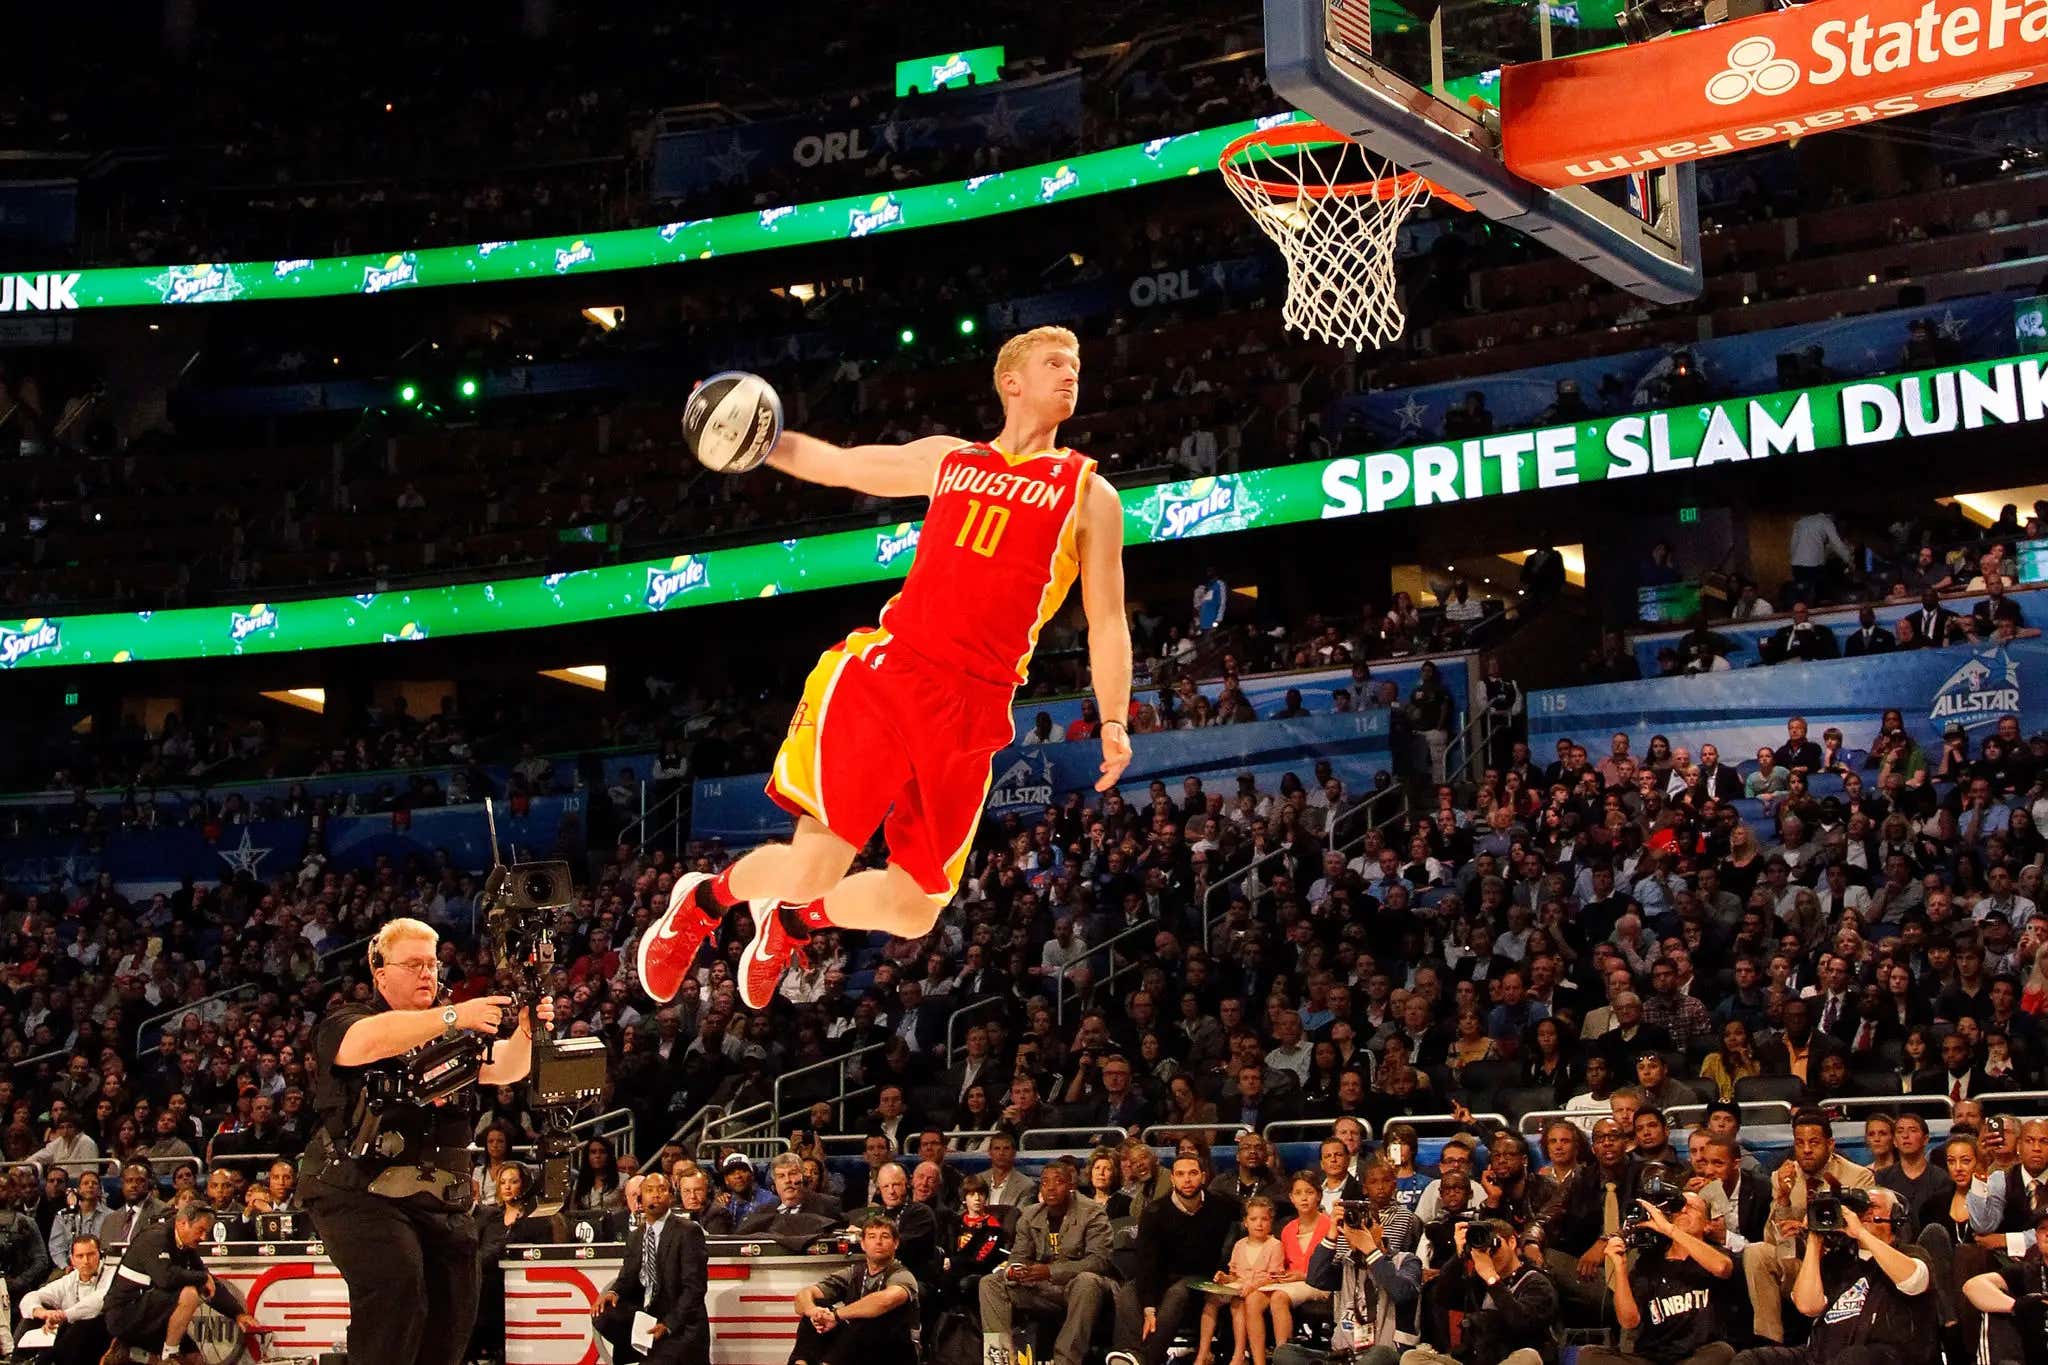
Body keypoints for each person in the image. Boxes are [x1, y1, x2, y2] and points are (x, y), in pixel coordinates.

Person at [640, 327, 1133, 1011]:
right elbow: (844, 466)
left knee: (914, 908)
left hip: (975, 708)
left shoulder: (1089, 494)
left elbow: (1108, 619)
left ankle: (790, 921)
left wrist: (1114, 716)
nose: (1071, 374)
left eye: (1077, 365)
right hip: (891, 676)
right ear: (1012, 382)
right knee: (814, 862)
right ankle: (701, 900)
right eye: (1055, 363)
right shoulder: (951, 459)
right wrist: (757, 438)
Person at [299, 917, 551, 1365]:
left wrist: (528, 1027)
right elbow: (363, 1044)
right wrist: (454, 1015)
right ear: (380, 974)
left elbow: (507, 1068)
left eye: (433, 964)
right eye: (413, 964)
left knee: (455, 1311)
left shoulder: (455, 1033)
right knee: (398, 1288)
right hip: (358, 1188)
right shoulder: (349, 1020)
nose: (427, 974)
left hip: (438, 1197)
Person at [1729, 1187, 1934, 1365]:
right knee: (1751, 1359)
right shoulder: (1838, 1261)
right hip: (1820, 1356)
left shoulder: (1909, 1253)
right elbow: (1808, 1306)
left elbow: (1914, 1281)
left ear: (1896, 1216)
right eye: (1860, 1207)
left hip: (1883, 1357)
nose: (1864, 1212)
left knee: (1853, 1358)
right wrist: (1815, 1238)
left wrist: (1862, 1233)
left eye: (1873, 1206)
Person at [979, 1158, 1114, 1365]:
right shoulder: (1030, 1215)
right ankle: (1001, 1359)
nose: (1050, 1188)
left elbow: (1099, 1261)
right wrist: (1016, 1270)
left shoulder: (1092, 1212)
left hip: (1078, 1288)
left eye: (1058, 1181)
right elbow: (1018, 1256)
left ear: (1070, 1185)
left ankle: (1065, 1360)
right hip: (1042, 1289)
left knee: (1088, 1281)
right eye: (1044, 1182)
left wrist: (1050, 1272)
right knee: (990, 1283)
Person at [1578, 1190, 1734, 1365]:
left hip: (1696, 1355)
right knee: (1589, 1355)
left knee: (1722, 1351)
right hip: (1652, 1357)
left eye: (1692, 1208)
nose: (1683, 1210)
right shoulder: (1648, 1262)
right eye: (1679, 1207)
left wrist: (1669, 1229)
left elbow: (1722, 1267)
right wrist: (1620, 1265)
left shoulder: (1717, 1254)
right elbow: (1629, 1322)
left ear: (1707, 1224)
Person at [1113, 1155, 1241, 1365]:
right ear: (1172, 1179)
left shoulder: (1222, 1208)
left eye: (1192, 1173)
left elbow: (1235, 1243)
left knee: (1178, 1292)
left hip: (1202, 1279)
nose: (1187, 1180)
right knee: (1128, 1292)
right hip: (1162, 1276)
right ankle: (1131, 1352)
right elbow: (1146, 1262)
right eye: (1180, 1174)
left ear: (1203, 1176)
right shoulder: (1155, 1212)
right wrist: (1149, 1307)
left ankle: (1142, 1360)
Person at [101, 1202, 260, 1364]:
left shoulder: (186, 1246)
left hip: (155, 1313)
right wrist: (202, 1278)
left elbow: (209, 1283)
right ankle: (169, 1355)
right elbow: (165, 1278)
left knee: (194, 1359)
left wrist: (238, 1313)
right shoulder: (154, 1237)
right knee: (190, 1293)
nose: (204, 1237)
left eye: (207, 1232)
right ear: (182, 1223)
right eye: (201, 1230)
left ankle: (136, 1351)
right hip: (125, 1315)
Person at [1401, 1218, 1559, 1365]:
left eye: (1495, 1246)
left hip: (1515, 1357)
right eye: (1483, 1249)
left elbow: (1522, 1324)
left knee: (1527, 1357)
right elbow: (1443, 1297)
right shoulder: (1478, 1280)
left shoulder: (1536, 1281)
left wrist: (1492, 1279)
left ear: (1511, 1242)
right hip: (1476, 1359)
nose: (1490, 1254)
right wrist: (1460, 1255)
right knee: (1411, 1358)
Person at [593, 1172, 710, 1365]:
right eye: (649, 1190)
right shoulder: (636, 1236)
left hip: (678, 1324)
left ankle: (654, 1348)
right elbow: (627, 1276)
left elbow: (695, 1289)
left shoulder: (688, 1231)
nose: (655, 1194)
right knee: (603, 1315)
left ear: (671, 1197)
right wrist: (613, 1292)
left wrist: (668, 1325)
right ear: (640, 1198)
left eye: (661, 1189)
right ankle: (636, 1348)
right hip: (646, 1318)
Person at [790, 1216, 921, 1365]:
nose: (878, 1242)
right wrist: (814, 1312)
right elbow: (803, 1296)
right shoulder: (854, 1273)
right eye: (872, 1237)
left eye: (885, 1237)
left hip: (895, 1352)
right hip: (858, 1346)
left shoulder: (903, 1275)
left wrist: (836, 1316)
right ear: (863, 1244)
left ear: (896, 1243)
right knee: (812, 1317)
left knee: (866, 1319)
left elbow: (883, 1302)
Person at [1200, 1194, 1285, 1365]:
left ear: (1271, 1222)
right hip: (1239, 1285)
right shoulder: (1239, 1244)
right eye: (1253, 1219)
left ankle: (1239, 1353)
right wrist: (1224, 1278)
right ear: (1245, 1222)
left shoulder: (1275, 1245)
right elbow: (1235, 1275)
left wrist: (1253, 1285)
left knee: (1238, 1302)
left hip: (1261, 1289)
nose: (1259, 1224)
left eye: (1264, 1219)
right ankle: (1202, 1354)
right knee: (1211, 1299)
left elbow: (1274, 1277)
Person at [17, 1232, 114, 1365]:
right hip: (69, 1335)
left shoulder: (112, 1274)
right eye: (80, 1256)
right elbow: (30, 1298)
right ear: (72, 1260)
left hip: (101, 1333)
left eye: (91, 1254)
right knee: (30, 1319)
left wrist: (62, 1316)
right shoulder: (69, 1279)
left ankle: (42, 1361)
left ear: (100, 1255)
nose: (86, 1261)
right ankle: (17, 1359)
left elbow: (99, 1301)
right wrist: (43, 1313)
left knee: (82, 1326)